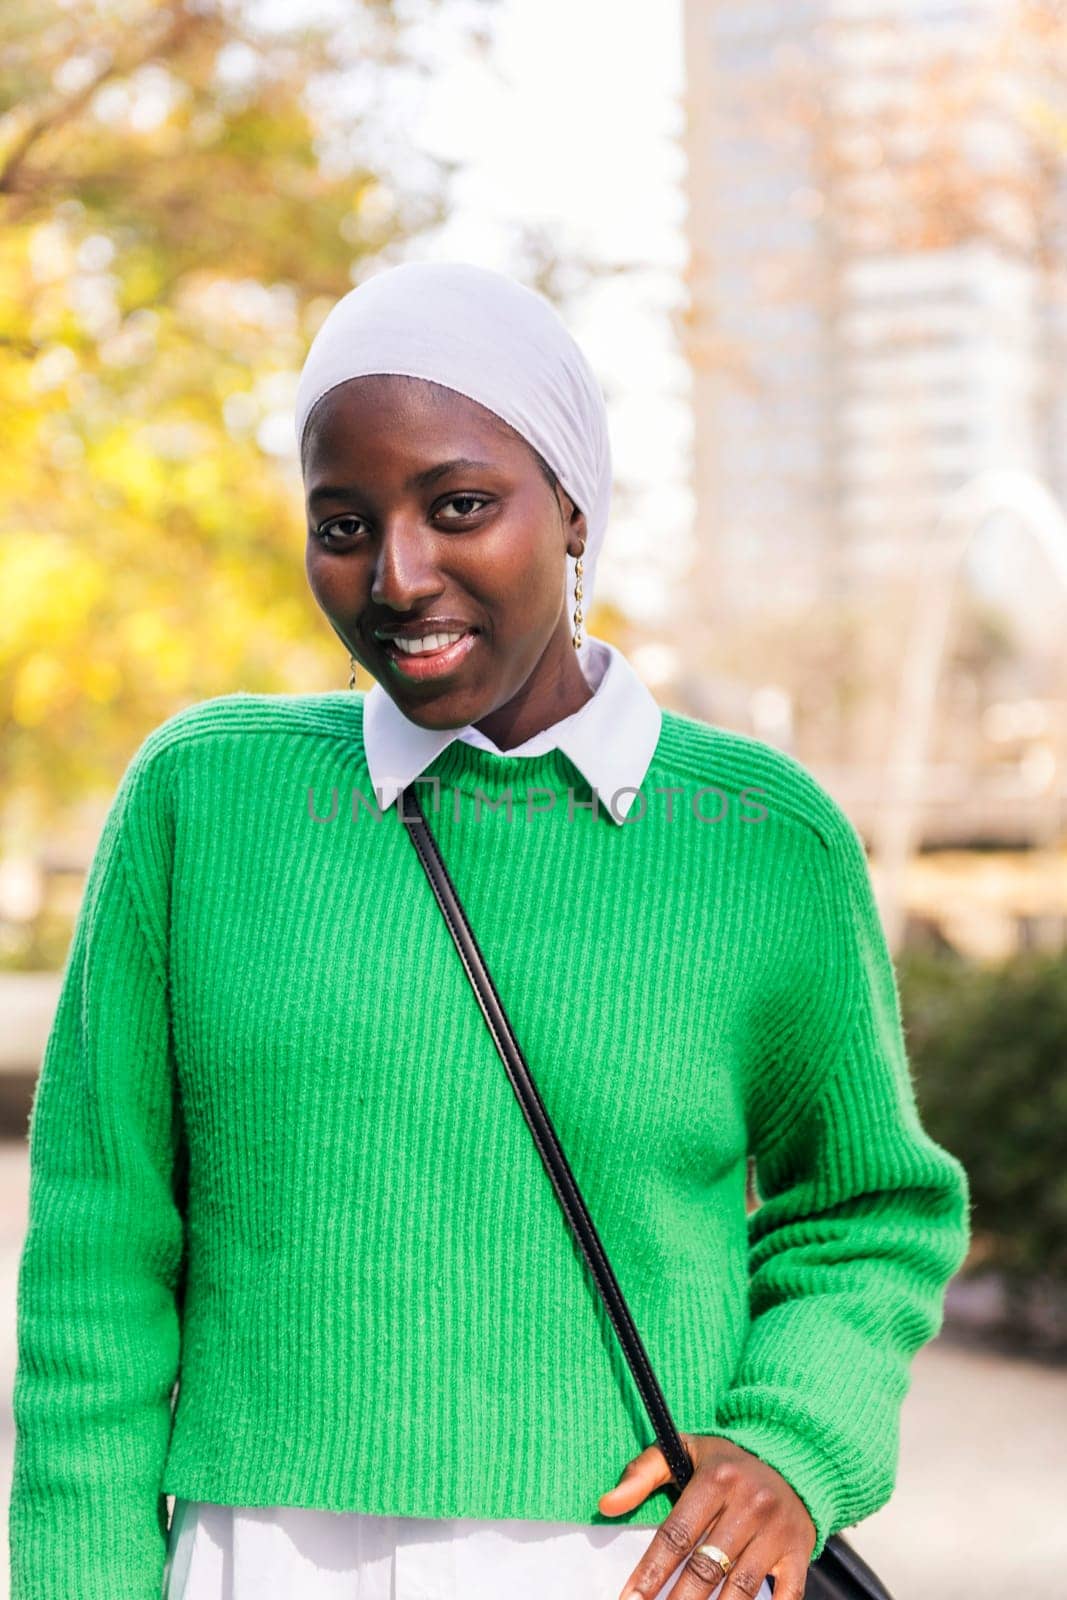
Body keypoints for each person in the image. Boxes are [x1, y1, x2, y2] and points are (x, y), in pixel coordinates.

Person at [8, 260, 972, 1600]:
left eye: (458, 505)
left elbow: (871, 1208)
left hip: (631, 1567)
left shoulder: (761, 842)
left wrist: (795, 1445)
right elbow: (97, 1256)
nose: (399, 576)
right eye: (341, 525)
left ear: (573, 508)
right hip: (255, 1563)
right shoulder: (203, 802)